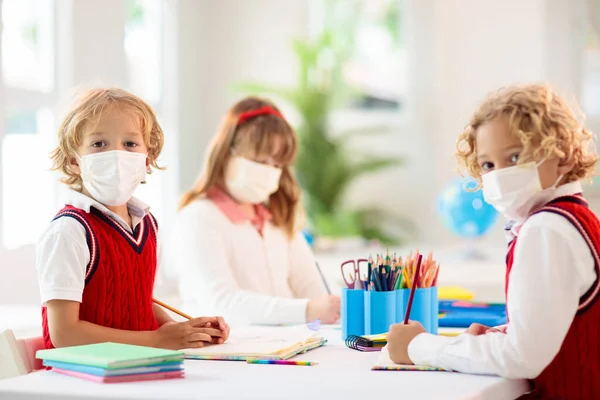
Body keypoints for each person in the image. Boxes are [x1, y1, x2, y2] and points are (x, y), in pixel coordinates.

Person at [387, 84, 600, 399]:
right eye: (488, 164)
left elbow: (521, 358)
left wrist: (420, 346)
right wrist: (501, 336)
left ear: (564, 156)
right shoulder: (575, 220)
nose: (499, 175)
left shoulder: (546, 230)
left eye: (515, 156)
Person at [37, 88, 229, 350]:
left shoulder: (149, 225)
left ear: (146, 159)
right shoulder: (70, 231)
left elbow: (140, 303)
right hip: (82, 381)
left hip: (137, 369)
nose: (116, 155)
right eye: (98, 144)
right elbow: (65, 334)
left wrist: (183, 330)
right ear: (74, 161)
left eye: (130, 144)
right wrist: (157, 340)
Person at [168, 96, 340, 325]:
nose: (269, 171)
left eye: (277, 164)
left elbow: (311, 287)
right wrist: (307, 311)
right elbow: (221, 302)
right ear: (227, 154)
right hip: (225, 354)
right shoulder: (199, 217)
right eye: (260, 160)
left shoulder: (276, 217)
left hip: (285, 346)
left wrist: (332, 307)